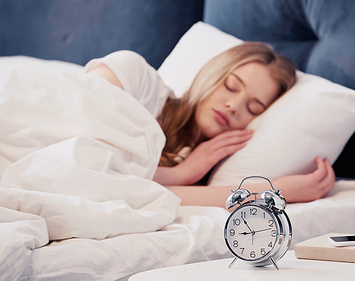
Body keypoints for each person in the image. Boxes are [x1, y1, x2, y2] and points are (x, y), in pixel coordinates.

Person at [85, 42, 335, 208]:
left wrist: (277, 191)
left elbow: (147, 197)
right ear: (211, 73)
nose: (234, 105)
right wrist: (179, 174)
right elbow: (87, 165)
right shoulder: (136, 79)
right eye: (231, 86)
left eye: (253, 108)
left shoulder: (207, 175)